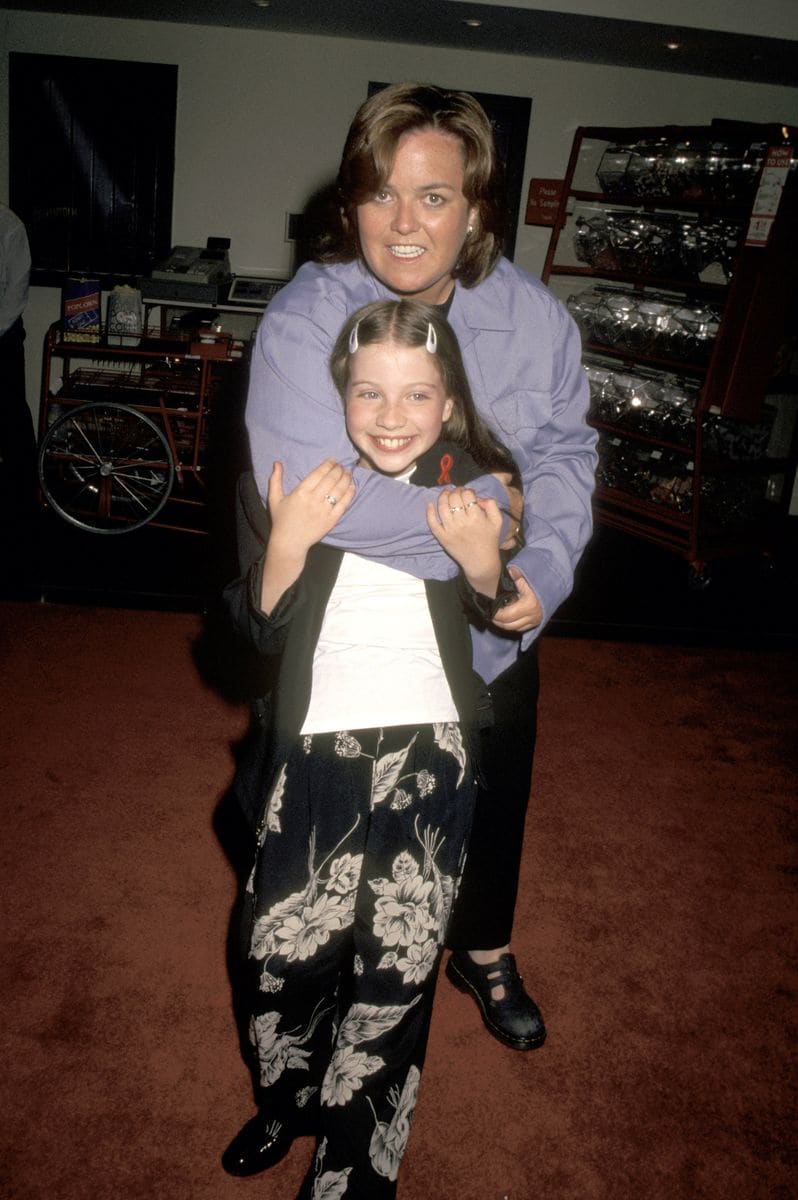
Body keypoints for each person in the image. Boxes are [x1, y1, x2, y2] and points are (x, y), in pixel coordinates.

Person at [244, 82, 597, 1059]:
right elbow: (331, 500)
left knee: (499, 782)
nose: (402, 226)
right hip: (347, 633)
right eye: (380, 194)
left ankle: (483, 946)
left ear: (476, 210)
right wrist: (485, 526)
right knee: (309, 839)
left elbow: (565, 455)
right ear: (351, 201)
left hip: (492, 620)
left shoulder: (532, 320)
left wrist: (539, 576)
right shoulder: (308, 317)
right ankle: (310, 1012)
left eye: (433, 197)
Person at [223, 299, 524, 1198]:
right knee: (281, 956)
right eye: (370, 392)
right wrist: (285, 545)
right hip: (316, 749)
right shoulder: (300, 476)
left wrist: (483, 565)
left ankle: (353, 1175)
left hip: (430, 748)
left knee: (391, 976)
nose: (393, 416)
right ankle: (291, 1095)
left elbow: (506, 620)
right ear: (338, 394)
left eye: (418, 394)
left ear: (447, 402)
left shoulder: (479, 484)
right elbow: (242, 635)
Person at [0, 205, 38, 530]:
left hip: (3, 337)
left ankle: (24, 504)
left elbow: (16, 290)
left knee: (11, 417)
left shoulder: (9, 225)